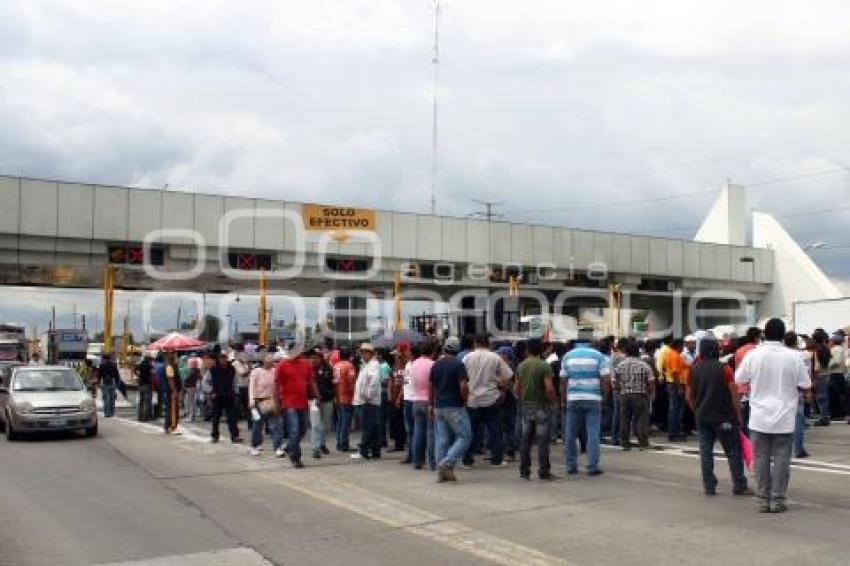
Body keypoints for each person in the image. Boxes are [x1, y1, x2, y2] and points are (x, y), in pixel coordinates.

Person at [735, 318, 811, 513]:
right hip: (785, 417)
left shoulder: (753, 355)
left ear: (764, 334)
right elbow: (805, 383)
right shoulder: (794, 357)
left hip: (759, 416)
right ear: (783, 334)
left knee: (760, 459)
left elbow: (739, 378)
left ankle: (762, 500)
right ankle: (777, 500)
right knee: (782, 460)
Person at [686, 338, 750, 496]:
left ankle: (709, 485)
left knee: (706, 451)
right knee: (733, 451)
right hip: (724, 417)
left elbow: (688, 396)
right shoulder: (725, 369)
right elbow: (734, 395)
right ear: (716, 350)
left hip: (702, 417)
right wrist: (739, 415)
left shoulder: (693, 369)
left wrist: (697, 410)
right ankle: (739, 484)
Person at [561, 332, 611, 476]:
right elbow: (606, 380)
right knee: (593, 433)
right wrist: (604, 397)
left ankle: (571, 466)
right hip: (593, 398)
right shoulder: (598, 356)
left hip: (573, 398)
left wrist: (563, 400)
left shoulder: (568, 356)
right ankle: (592, 466)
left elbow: (563, 381)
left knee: (570, 434)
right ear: (590, 342)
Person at [462, 335, 514, 468]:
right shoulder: (495, 357)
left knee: (471, 431)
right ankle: (496, 459)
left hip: (472, 400)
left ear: (475, 343)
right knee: (494, 430)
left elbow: (462, 378)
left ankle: (467, 460)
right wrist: (502, 391)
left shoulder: (467, 357)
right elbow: (509, 377)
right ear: (488, 343)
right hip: (491, 399)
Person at [430, 337, 472, 482]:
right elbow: (463, 386)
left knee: (442, 440)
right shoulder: (458, 364)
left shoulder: (436, 365)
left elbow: (431, 387)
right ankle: (447, 463)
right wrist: (465, 401)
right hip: (455, 406)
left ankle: (441, 474)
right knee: (465, 437)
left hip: (438, 406)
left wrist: (431, 404)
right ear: (457, 349)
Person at [515, 338, 558, 480]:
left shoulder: (521, 366)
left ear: (527, 350)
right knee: (542, 441)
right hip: (541, 406)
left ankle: (524, 471)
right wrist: (553, 401)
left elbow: (517, 389)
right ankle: (544, 471)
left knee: (526, 440)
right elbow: (550, 388)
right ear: (541, 350)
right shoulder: (544, 366)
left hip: (526, 406)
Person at [276, 348, 318, 468]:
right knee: (294, 430)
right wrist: (276, 401)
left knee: (302, 430)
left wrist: (317, 395)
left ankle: (289, 445)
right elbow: (276, 383)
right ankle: (296, 457)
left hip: (302, 403)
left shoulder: (306, 364)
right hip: (288, 403)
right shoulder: (282, 365)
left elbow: (311, 381)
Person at [614, 339, 654, 450]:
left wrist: (619, 390)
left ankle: (625, 443)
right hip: (640, 394)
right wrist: (651, 394)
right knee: (641, 418)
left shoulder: (621, 365)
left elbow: (615, 380)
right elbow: (651, 381)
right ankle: (642, 443)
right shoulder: (644, 364)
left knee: (625, 419)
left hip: (624, 394)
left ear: (626, 352)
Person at [249, 354, 284, 457]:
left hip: (272, 401)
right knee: (258, 425)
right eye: (269, 361)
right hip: (259, 401)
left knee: (276, 425)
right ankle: (255, 445)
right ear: (263, 362)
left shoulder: (274, 371)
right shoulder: (256, 372)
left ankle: (277, 447)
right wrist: (251, 401)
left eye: (272, 361)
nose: (271, 363)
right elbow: (251, 387)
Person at [408, 342, 436, 469]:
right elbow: (434, 384)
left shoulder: (413, 364)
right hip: (429, 401)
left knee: (418, 431)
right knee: (431, 432)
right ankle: (432, 461)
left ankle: (417, 461)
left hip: (416, 400)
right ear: (433, 352)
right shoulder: (432, 364)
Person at [352, 343, 382, 460]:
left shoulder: (373, 365)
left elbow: (373, 382)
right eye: (362, 352)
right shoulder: (367, 365)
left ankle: (364, 451)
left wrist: (368, 396)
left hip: (369, 401)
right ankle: (375, 451)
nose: (363, 354)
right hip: (368, 400)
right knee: (373, 427)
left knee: (367, 427)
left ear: (371, 353)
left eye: (365, 352)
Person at [785, 332, 811, 459]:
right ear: (795, 342)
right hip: (797, 391)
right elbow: (806, 375)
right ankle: (798, 449)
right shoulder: (802, 356)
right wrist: (807, 392)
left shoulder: (780, 355)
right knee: (798, 421)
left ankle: (782, 449)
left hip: (781, 392)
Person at [209, 351, 242, 444]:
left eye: (224, 358)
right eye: (221, 358)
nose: (223, 360)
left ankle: (235, 436)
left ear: (227, 358)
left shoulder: (232, 369)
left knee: (232, 417)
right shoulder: (213, 369)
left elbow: (235, 381)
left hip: (229, 395)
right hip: (217, 396)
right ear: (218, 359)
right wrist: (211, 392)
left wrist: (236, 392)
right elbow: (206, 381)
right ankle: (214, 436)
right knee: (216, 417)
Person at [660, 338, 688, 441]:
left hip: (672, 383)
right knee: (675, 409)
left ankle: (674, 432)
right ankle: (674, 433)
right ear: (678, 346)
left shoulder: (670, 353)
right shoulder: (674, 355)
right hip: (675, 384)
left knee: (674, 409)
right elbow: (675, 372)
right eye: (682, 346)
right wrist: (680, 387)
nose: (683, 348)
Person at [309, 348, 335, 459]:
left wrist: (334, 396)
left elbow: (333, 383)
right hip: (313, 401)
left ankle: (322, 443)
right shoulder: (308, 369)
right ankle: (316, 448)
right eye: (312, 358)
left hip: (327, 400)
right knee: (315, 425)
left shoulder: (329, 369)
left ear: (321, 358)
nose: (314, 360)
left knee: (326, 426)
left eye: (316, 357)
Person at [735, 327, 761, 435]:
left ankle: (744, 443)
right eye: (760, 336)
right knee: (754, 420)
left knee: (743, 419)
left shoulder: (739, 351)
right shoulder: (758, 350)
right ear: (756, 337)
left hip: (742, 389)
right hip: (755, 389)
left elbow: (737, 369)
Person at [333, 349, 357, 452]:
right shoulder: (349, 366)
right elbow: (351, 382)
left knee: (340, 421)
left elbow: (334, 382)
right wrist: (354, 394)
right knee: (346, 422)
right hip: (347, 397)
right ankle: (344, 444)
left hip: (338, 396)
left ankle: (339, 442)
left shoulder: (336, 366)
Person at [387, 344, 409, 453]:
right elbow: (391, 378)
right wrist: (389, 393)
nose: (395, 355)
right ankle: (398, 443)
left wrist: (399, 397)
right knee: (395, 421)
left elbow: (405, 383)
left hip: (401, 398)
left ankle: (400, 444)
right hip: (394, 396)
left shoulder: (406, 365)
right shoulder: (395, 365)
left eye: (397, 353)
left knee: (401, 421)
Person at [158, 350, 183, 434]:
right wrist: (175, 391)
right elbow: (170, 379)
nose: (174, 355)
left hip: (169, 390)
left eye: (174, 353)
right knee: (173, 409)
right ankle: (172, 427)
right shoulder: (169, 366)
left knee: (170, 408)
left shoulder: (171, 365)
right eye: (171, 353)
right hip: (171, 391)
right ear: (167, 355)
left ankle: (168, 426)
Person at [812, 329, 832, 426]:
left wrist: (814, 377)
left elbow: (817, 366)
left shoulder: (818, 349)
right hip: (826, 374)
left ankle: (824, 418)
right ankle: (825, 416)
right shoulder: (825, 348)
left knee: (821, 397)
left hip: (820, 375)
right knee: (824, 397)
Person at [828, 334, 847, 421]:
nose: (829, 342)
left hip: (836, 374)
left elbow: (837, 361)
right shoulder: (840, 349)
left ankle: (837, 414)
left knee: (835, 395)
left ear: (834, 341)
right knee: (837, 394)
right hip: (838, 374)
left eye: (831, 341)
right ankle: (837, 414)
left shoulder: (837, 349)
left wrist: (828, 365)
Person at [99, 352, 120, 418]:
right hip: (112, 382)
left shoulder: (102, 365)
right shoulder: (114, 365)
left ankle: (107, 413)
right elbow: (116, 374)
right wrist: (117, 383)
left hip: (105, 382)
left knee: (106, 399)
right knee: (112, 399)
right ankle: (112, 412)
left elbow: (99, 375)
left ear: (104, 358)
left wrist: (99, 382)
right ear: (110, 358)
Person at [232, 352, 252, 421]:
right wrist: (249, 369)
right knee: (238, 404)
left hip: (246, 386)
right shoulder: (235, 363)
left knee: (246, 405)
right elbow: (242, 373)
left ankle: (249, 421)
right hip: (238, 386)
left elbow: (250, 373)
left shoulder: (245, 363)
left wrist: (248, 366)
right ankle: (235, 419)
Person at [135, 353, 153, 421]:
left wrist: (138, 376)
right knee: (147, 401)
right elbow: (152, 373)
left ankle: (140, 417)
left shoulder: (140, 364)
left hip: (141, 384)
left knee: (141, 401)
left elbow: (135, 370)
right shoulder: (149, 365)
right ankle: (145, 417)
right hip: (147, 384)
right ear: (148, 359)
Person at [183, 356, 201, 422]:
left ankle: (191, 416)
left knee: (190, 402)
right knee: (192, 401)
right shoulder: (197, 370)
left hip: (190, 387)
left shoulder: (192, 371)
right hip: (193, 387)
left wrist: (184, 384)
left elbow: (186, 379)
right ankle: (192, 415)